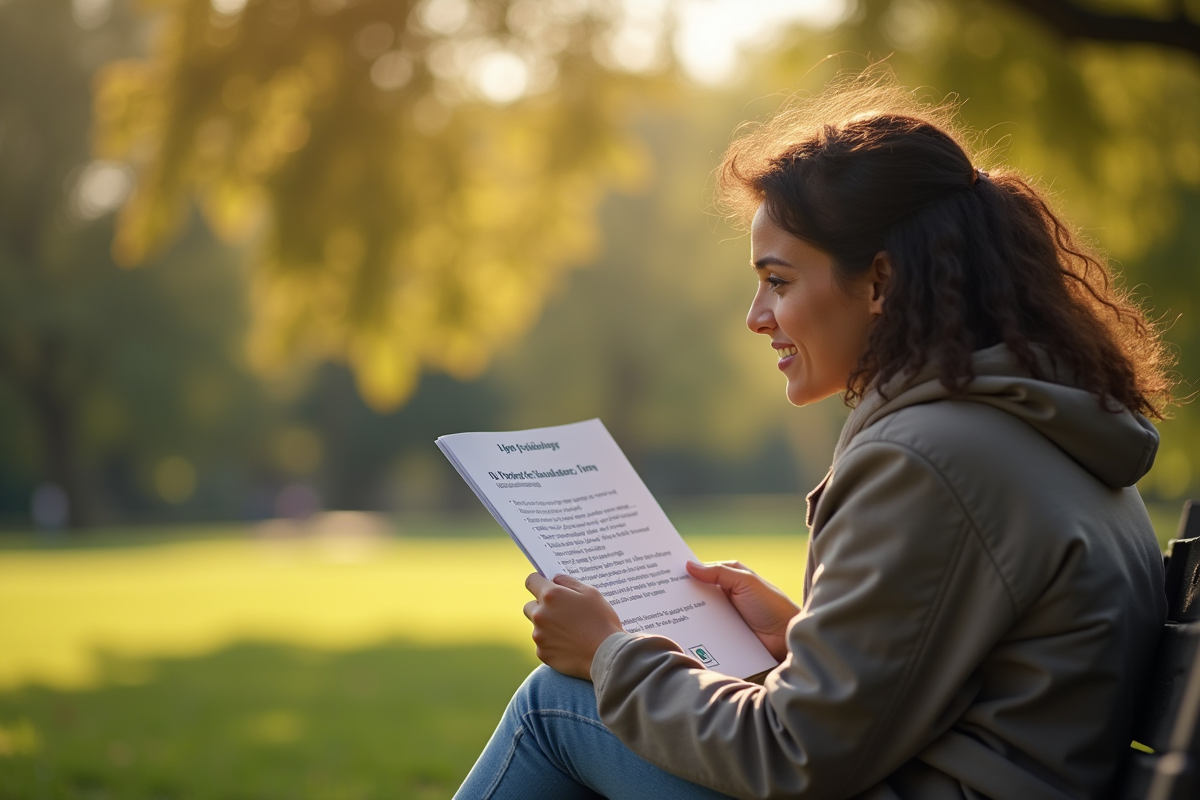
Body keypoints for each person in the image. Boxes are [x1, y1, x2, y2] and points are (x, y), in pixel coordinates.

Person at [454, 76, 1174, 800]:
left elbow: (792, 756)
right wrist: (800, 639)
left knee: (557, 705)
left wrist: (609, 655)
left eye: (778, 281)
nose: (756, 316)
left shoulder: (926, 459)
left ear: (880, 282)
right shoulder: (1027, 426)